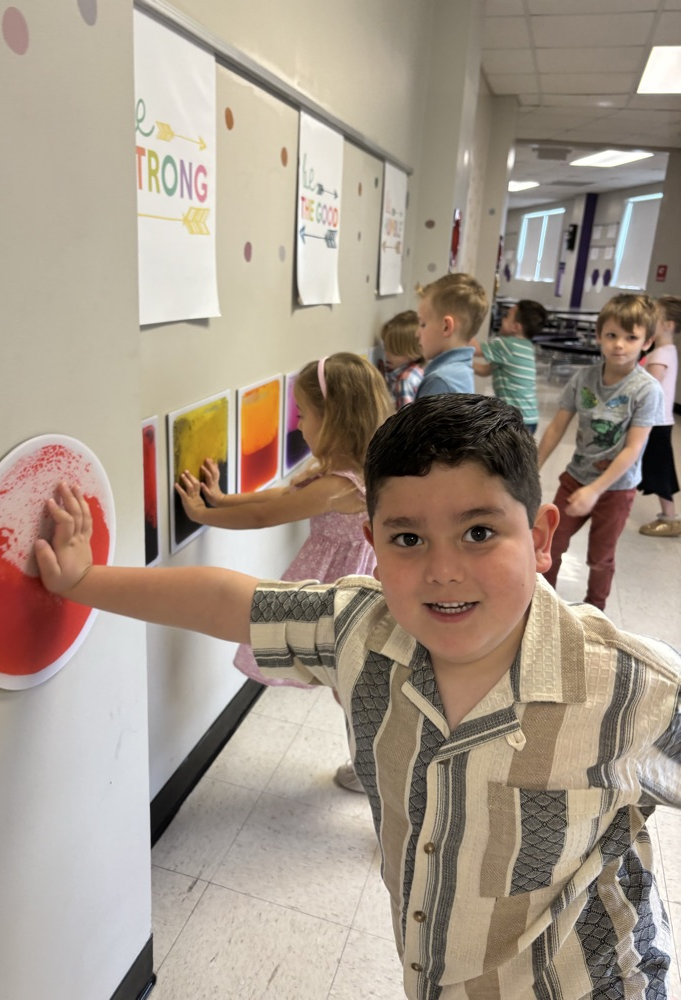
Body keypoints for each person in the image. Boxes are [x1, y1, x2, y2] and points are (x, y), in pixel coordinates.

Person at [35, 394, 681, 1000]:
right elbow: (229, 601)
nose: (443, 569)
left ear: (541, 538)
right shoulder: (360, 632)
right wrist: (85, 579)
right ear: (373, 546)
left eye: (479, 533)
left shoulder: (628, 688)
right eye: (408, 539)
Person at [177, 351, 394, 792]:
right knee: (350, 687)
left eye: (303, 414)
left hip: (342, 599)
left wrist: (203, 515)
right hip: (347, 593)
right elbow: (277, 496)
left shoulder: (339, 487)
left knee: (353, 690)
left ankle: (380, 772)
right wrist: (220, 499)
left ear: (334, 418)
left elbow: (267, 515)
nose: (297, 425)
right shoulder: (346, 471)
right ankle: (376, 765)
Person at [538, 293, 664, 611]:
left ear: (646, 342)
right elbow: (556, 427)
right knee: (550, 544)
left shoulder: (647, 390)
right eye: (611, 335)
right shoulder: (584, 379)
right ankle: (544, 604)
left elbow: (633, 449)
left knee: (600, 558)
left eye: (630, 337)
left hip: (615, 490)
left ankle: (595, 611)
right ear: (599, 336)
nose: (619, 344)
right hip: (575, 478)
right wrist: (533, 465)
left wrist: (596, 490)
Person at [638, 294, 680, 537]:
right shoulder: (663, 350)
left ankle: (670, 518)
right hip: (656, 420)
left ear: (668, 325)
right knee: (644, 464)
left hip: (655, 422)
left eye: (655, 314)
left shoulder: (662, 354)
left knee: (660, 470)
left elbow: (649, 385)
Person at [472, 298, 546, 433]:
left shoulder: (507, 345)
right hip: (529, 417)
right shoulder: (526, 346)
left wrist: (466, 324)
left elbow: (474, 348)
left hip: (516, 419)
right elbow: (484, 370)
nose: (502, 319)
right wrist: (464, 362)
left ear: (516, 327)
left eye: (506, 316)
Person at [415, 273, 488, 398]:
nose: (417, 333)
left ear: (446, 327)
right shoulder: (460, 371)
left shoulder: (440, 382)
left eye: (423, 324)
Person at [377, 309, 423, 409]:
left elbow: (405, 418)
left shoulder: (405, 381)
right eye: (386, 347)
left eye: (394, 350)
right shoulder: (418, 370)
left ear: (411, 351)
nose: (386, 354)